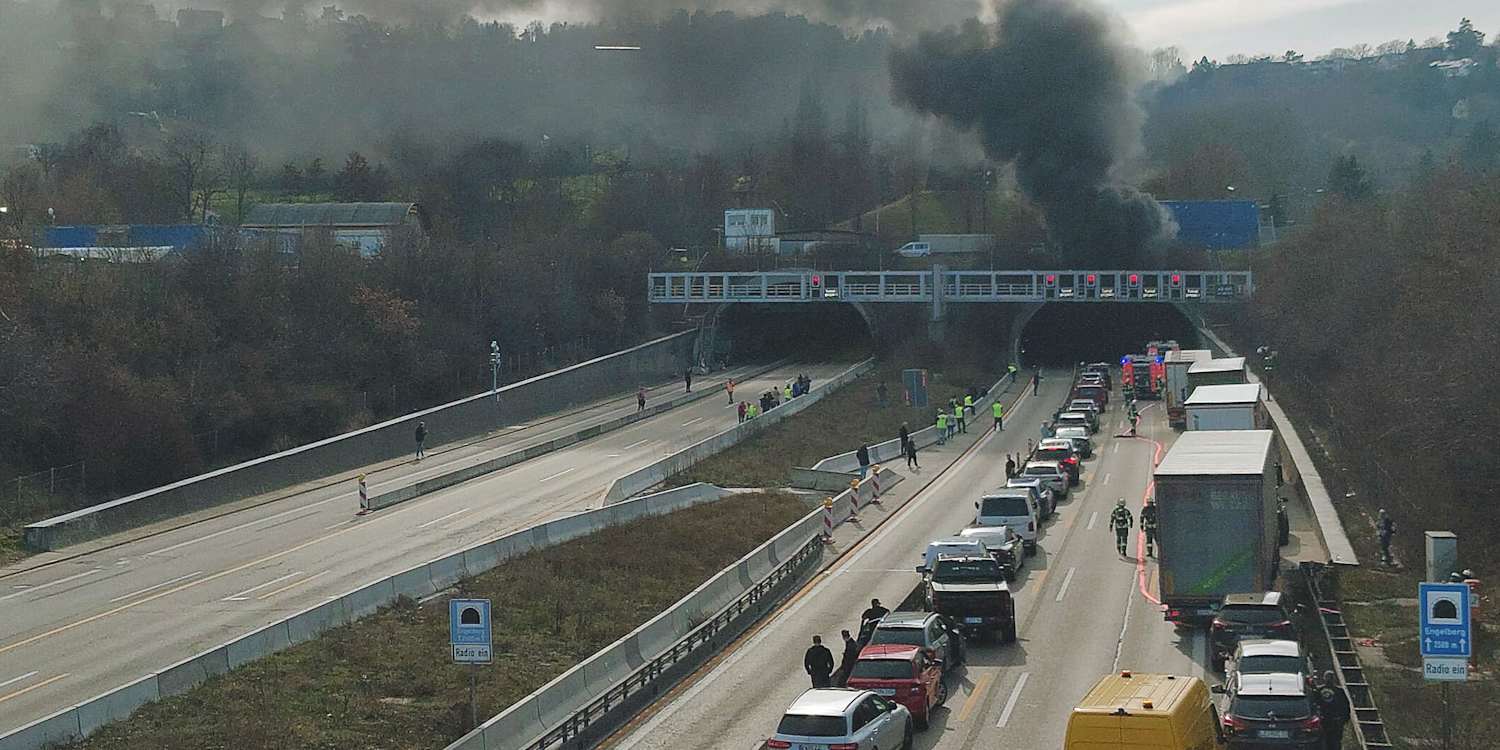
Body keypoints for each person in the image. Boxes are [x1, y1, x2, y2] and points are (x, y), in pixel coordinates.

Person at [1316, 670, 1350, 750]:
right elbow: (1345, 706)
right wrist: (1344, 719)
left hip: (1328, 720)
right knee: (1334, 742)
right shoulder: (1339, 691)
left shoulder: (1319, 690)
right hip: (1330, 721)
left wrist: (1344, 719)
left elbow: (1345, 706)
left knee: (1327, 742)